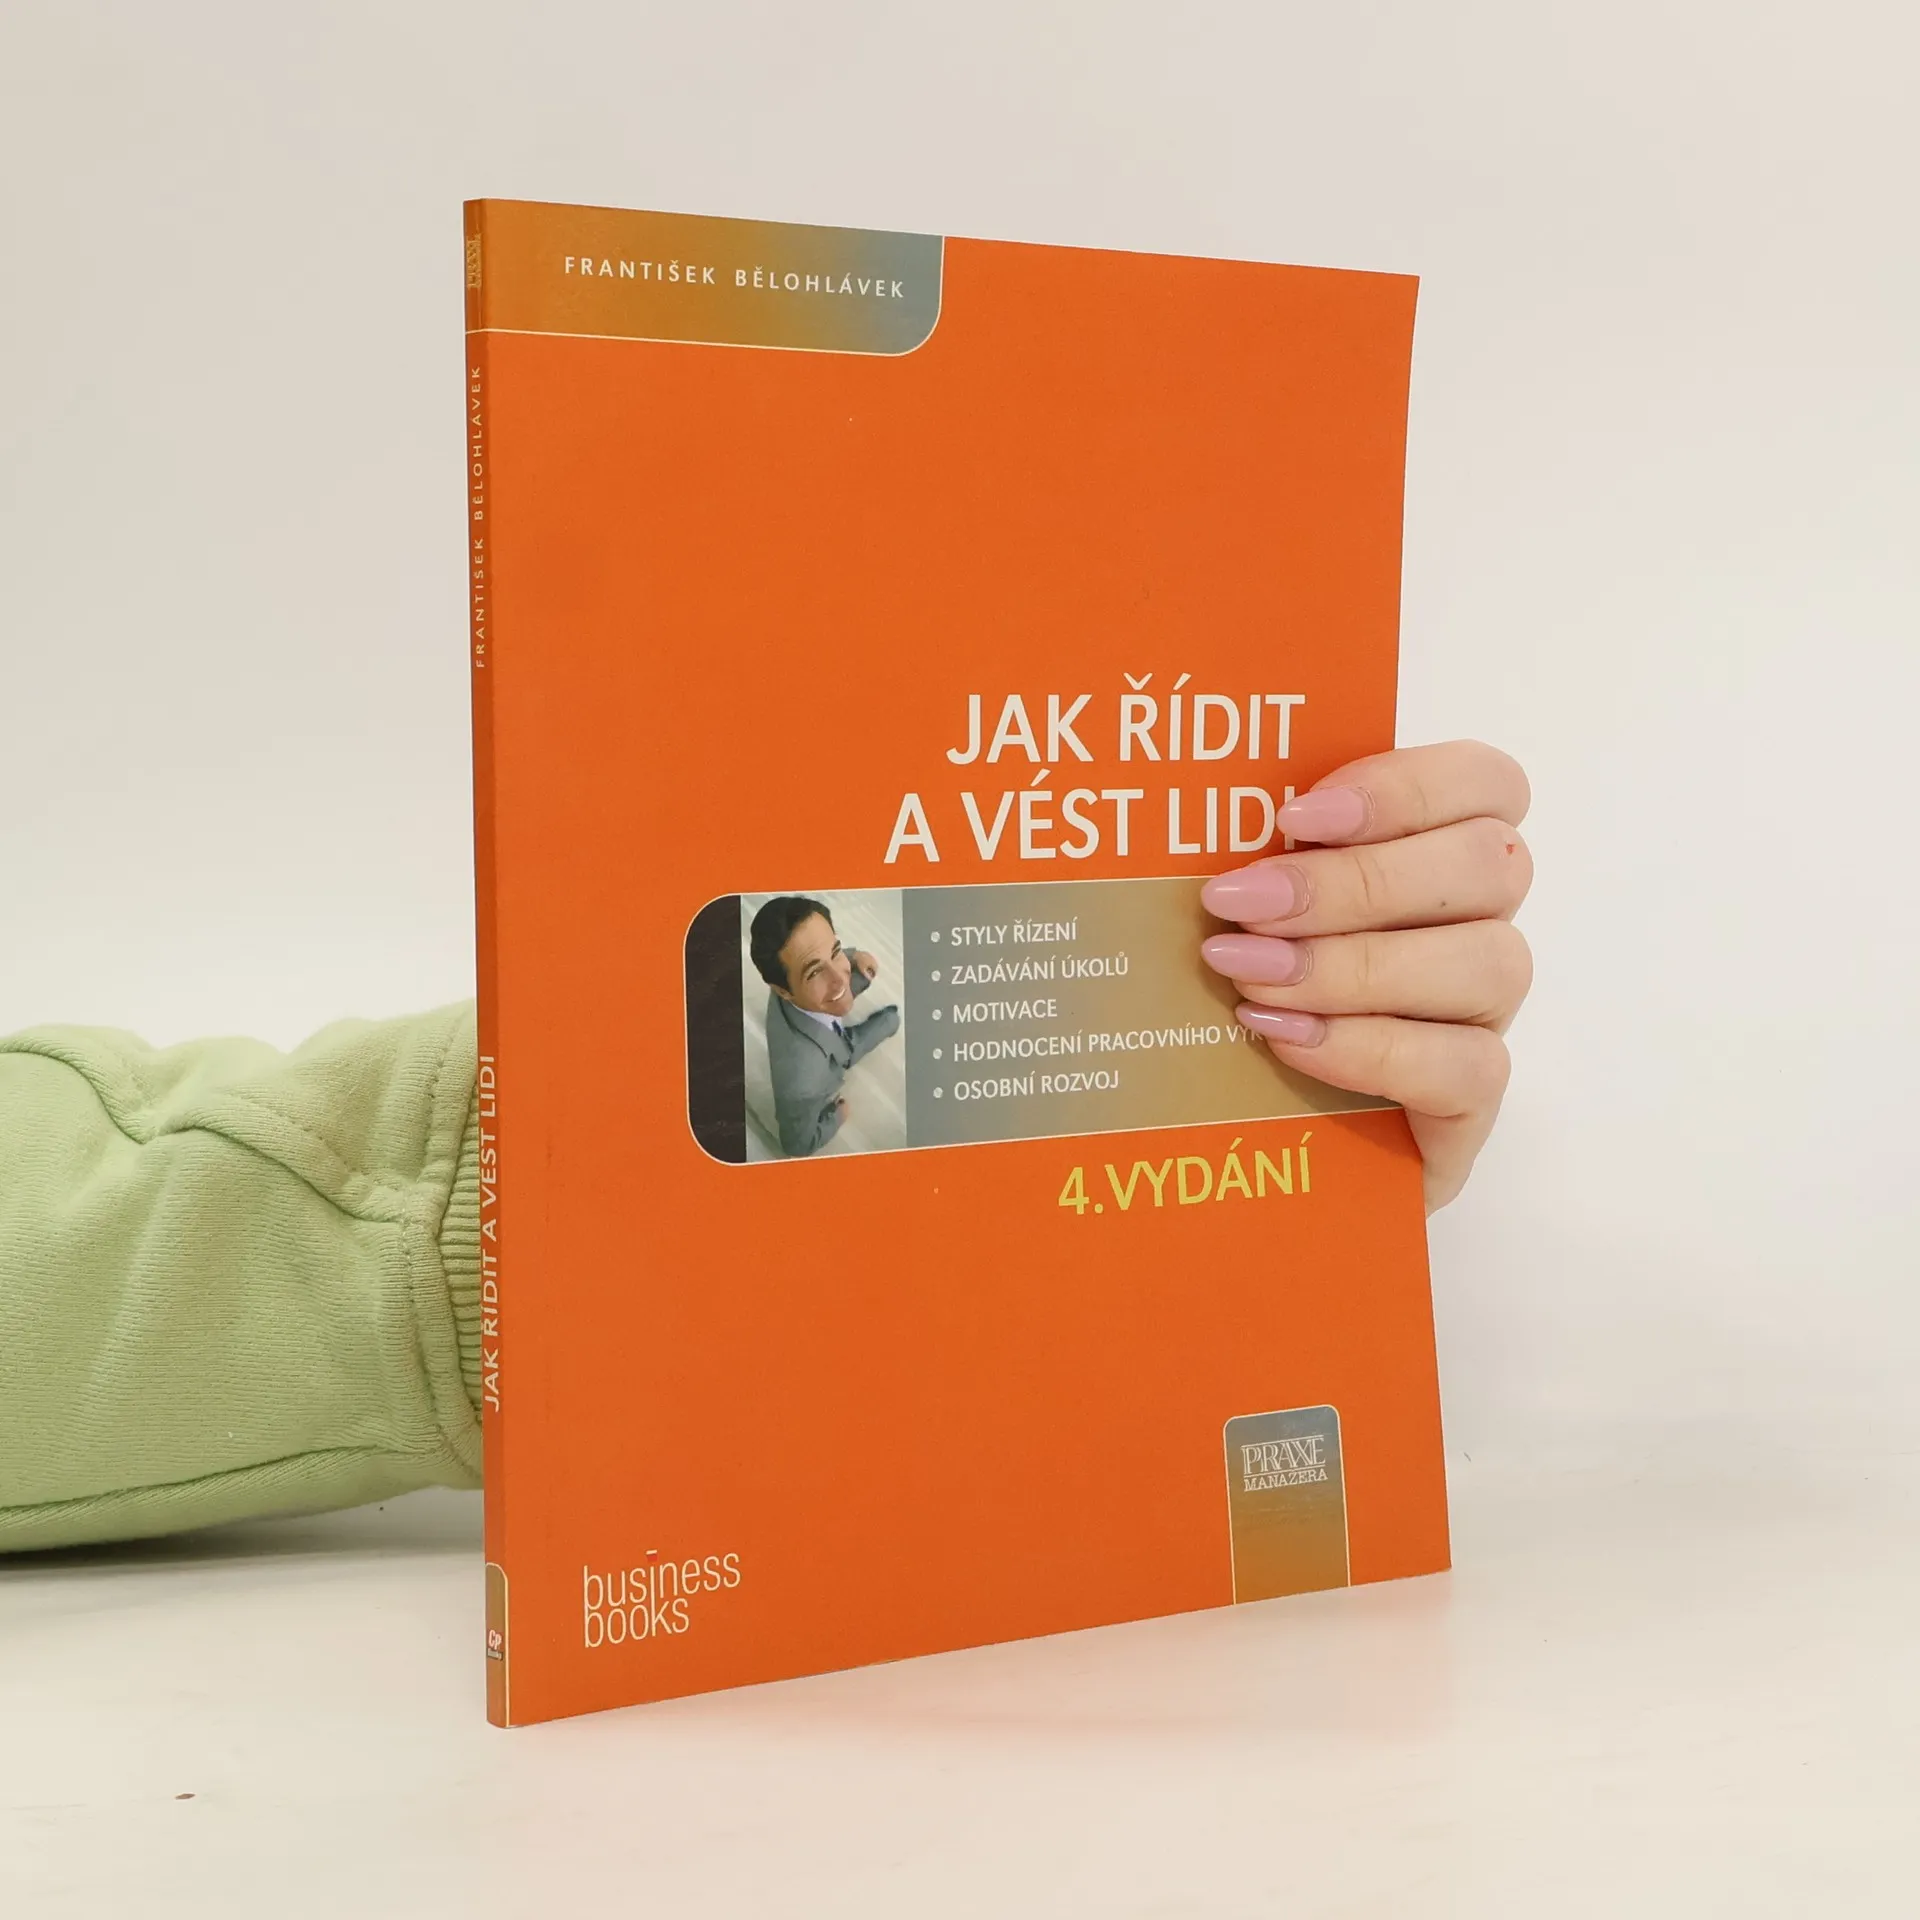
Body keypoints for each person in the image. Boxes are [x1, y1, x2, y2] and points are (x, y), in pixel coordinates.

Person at [0, 742, 1531, 1554]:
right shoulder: (799, 1057)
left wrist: (1226, 1119)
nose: (842, 981)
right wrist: (545, 1189)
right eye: (818, 971)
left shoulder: (824, 1017)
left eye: (837, 964)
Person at [748, 896, 902, 1157]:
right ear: (783, 991)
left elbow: (818, 952)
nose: (839, 979)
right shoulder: (801, 1086)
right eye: (814, 972)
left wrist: (854, 956)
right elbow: (797, 1146)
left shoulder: (792, 973)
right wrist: (836, 1117)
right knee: (883, 1019)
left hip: (822, 1023)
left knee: (870, 997)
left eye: (835, 951)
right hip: (827, 1061)